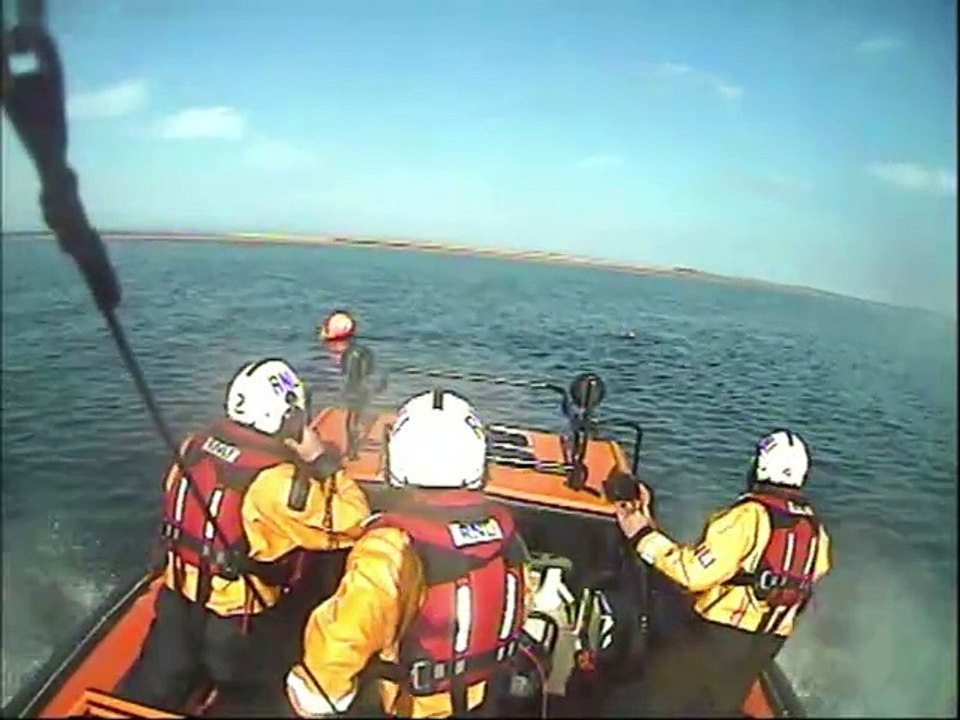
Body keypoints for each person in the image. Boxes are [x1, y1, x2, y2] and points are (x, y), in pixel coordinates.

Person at [116, 358, 371, 715]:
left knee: (148, 693)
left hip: (175, 607)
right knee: (255, 700)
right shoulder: (277, 483)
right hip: (238, 625)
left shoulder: (193, 446)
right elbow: (352, 522)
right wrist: (319, 461)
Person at [284, 389, 536, 718]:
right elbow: (521, 601)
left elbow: (341, 642)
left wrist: (314, 697)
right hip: (488, 702)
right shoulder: (506, 535)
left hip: (416, 707)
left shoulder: (391, 546)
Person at [606, 428, 832, 717]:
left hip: (717, 637)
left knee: (635, 705)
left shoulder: (747, 516)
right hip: (766, 643)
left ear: (759, 467)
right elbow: (815, 572)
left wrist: (641, 534)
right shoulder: (815, 529)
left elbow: (693, 574)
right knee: (714, 708)